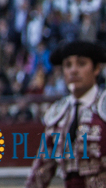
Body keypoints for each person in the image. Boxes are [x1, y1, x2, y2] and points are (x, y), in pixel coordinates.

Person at [26, 40, 106, 188]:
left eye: (81, 64)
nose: (73, 70)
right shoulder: (59, 113)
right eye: (68, 65)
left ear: (96, 69)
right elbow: (41, 170)